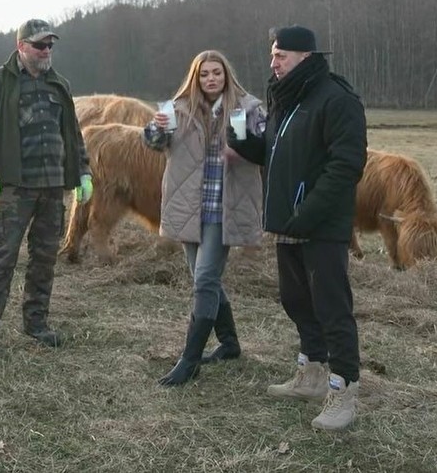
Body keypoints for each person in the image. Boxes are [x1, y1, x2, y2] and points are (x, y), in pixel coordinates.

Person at [227, 25, 367, 430]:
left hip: (320, 226)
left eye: (280, 56)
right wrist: (238, 125)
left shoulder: (336, 99)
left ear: (305, 57)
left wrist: (309, 212)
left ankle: (344, 389)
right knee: (295, 300)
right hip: (288, 224)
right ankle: (311, 374)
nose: (272, 62)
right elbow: (266, 151)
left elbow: (346, 166)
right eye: (272, 55)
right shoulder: (287, 100)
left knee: (332, 309)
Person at [0, 18, 93, 362]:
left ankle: (36, 323)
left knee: (44, 259)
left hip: (53, 189)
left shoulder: (60, 85)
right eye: (40, 45)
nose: (46, 51)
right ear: (21, 46)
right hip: (15, 189)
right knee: (1, 259)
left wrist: (83, 173)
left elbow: (73, 134)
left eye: (50, 45)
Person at [143, 50, 265, 386]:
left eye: (217, 73)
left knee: (205, 279)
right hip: (190, 206)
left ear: (227, 75)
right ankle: (229, 343)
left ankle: (190, 359)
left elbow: (266, 146)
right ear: (196, 78)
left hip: (225, 207)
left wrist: (244, 145)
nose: (211, 79)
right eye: (204, 74)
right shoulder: (179, 108)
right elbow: (154, 144)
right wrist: (155, 128)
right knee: (204, 278)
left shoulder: (249, 108)